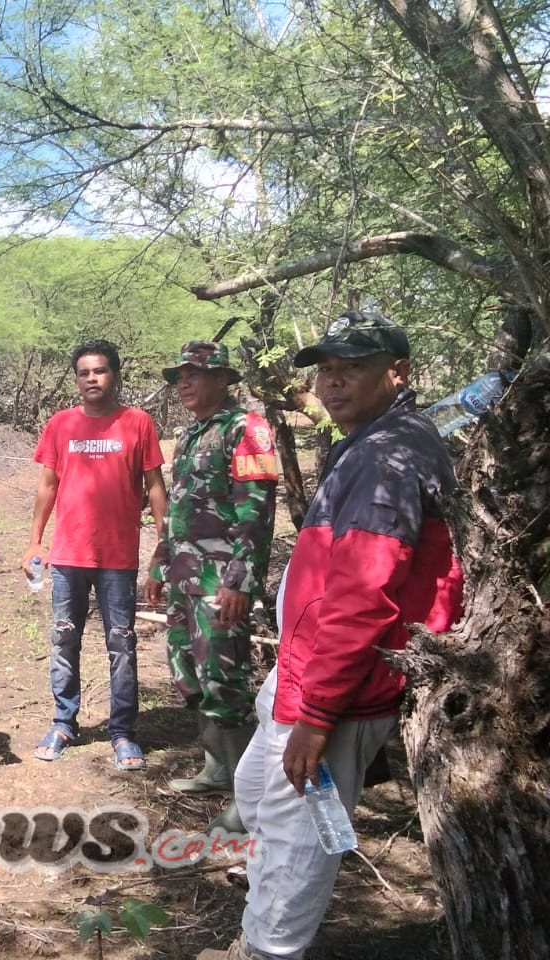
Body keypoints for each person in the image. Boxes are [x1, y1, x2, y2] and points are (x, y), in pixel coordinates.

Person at [199, 308, 464, 960]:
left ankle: (267, 949)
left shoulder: (387, 456)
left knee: (298, 836)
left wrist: (319, 714)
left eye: (353, 368)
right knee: (260, 795)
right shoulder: (371, 443)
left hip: (339, 686)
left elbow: (365, 592)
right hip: (307, 666)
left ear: (397, 373)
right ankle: (263, 917)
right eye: (327, 370)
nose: (334, 382)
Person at [144, 341, 278, 835]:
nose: (184, 382)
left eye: (195, 374)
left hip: (221, 581)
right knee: (189, 671)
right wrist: (160, 563)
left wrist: (241, 581)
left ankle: (248, 797)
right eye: (180, 375)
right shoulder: (191, 433)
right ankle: (217, 769)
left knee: (225, 679)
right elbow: (179, 509)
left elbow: (256, 511)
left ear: (223, 379)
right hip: (185, 577)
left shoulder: (247, 429)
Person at [23, 340, 167, 770]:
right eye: (84, 372)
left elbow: (155, 487)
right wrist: (34, 542)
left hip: (117, 557)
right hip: (68, 555)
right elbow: (48, 485)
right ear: (76, 379)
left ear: (115, 376)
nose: (92, 379)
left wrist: (164, 546)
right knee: (64, 639)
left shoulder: (138, 423)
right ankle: (63, 722)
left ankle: (122, 732)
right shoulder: (61, 424)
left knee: (121, 644)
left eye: (100, 371)